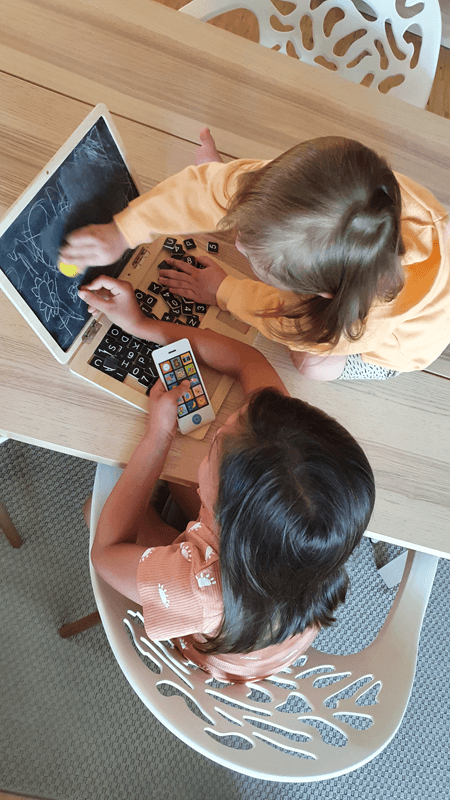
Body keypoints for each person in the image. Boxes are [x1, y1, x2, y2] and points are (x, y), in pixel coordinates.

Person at [83, 276, 375, 682]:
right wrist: (146, 327)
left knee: (93, 508)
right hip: (262, 596)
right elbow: (247, 361)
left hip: (215, 644)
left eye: (217, 443)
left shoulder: (196, 594)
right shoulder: (289, 454)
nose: (225, 426)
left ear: (223, 512)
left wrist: (159, 436)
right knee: (176, 482)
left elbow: (105, 553)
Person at [60, 131, 450, 381]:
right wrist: (123, 230)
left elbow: (282, 315)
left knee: (309, 365)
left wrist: (223, 291)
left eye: (257, 256)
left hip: (405, 345)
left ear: (321, 293)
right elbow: (205, 190)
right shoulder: (307, 189)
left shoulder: (343, 320)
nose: (239, 245)